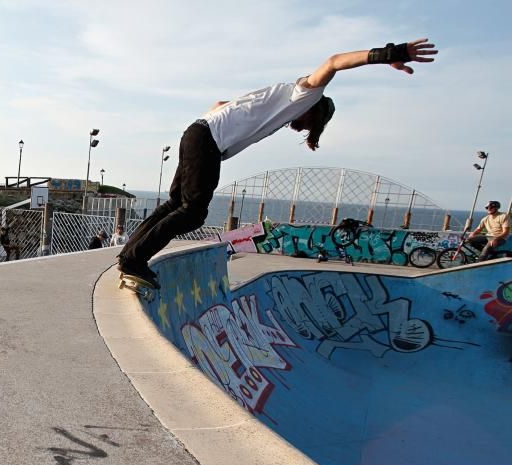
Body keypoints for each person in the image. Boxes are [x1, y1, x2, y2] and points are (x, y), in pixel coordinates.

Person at [116, 38, 437, 288]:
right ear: (313, 109)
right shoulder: (306, 93)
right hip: (207, 140)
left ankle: (130, 254)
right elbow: (334, 61)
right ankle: (134, 260)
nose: (297, 128)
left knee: (176, 202)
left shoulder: (278, 97)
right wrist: (391, 53)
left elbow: (219, 104)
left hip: (198, 130)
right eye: (306, 125)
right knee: (194, 210)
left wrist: (223, 123)